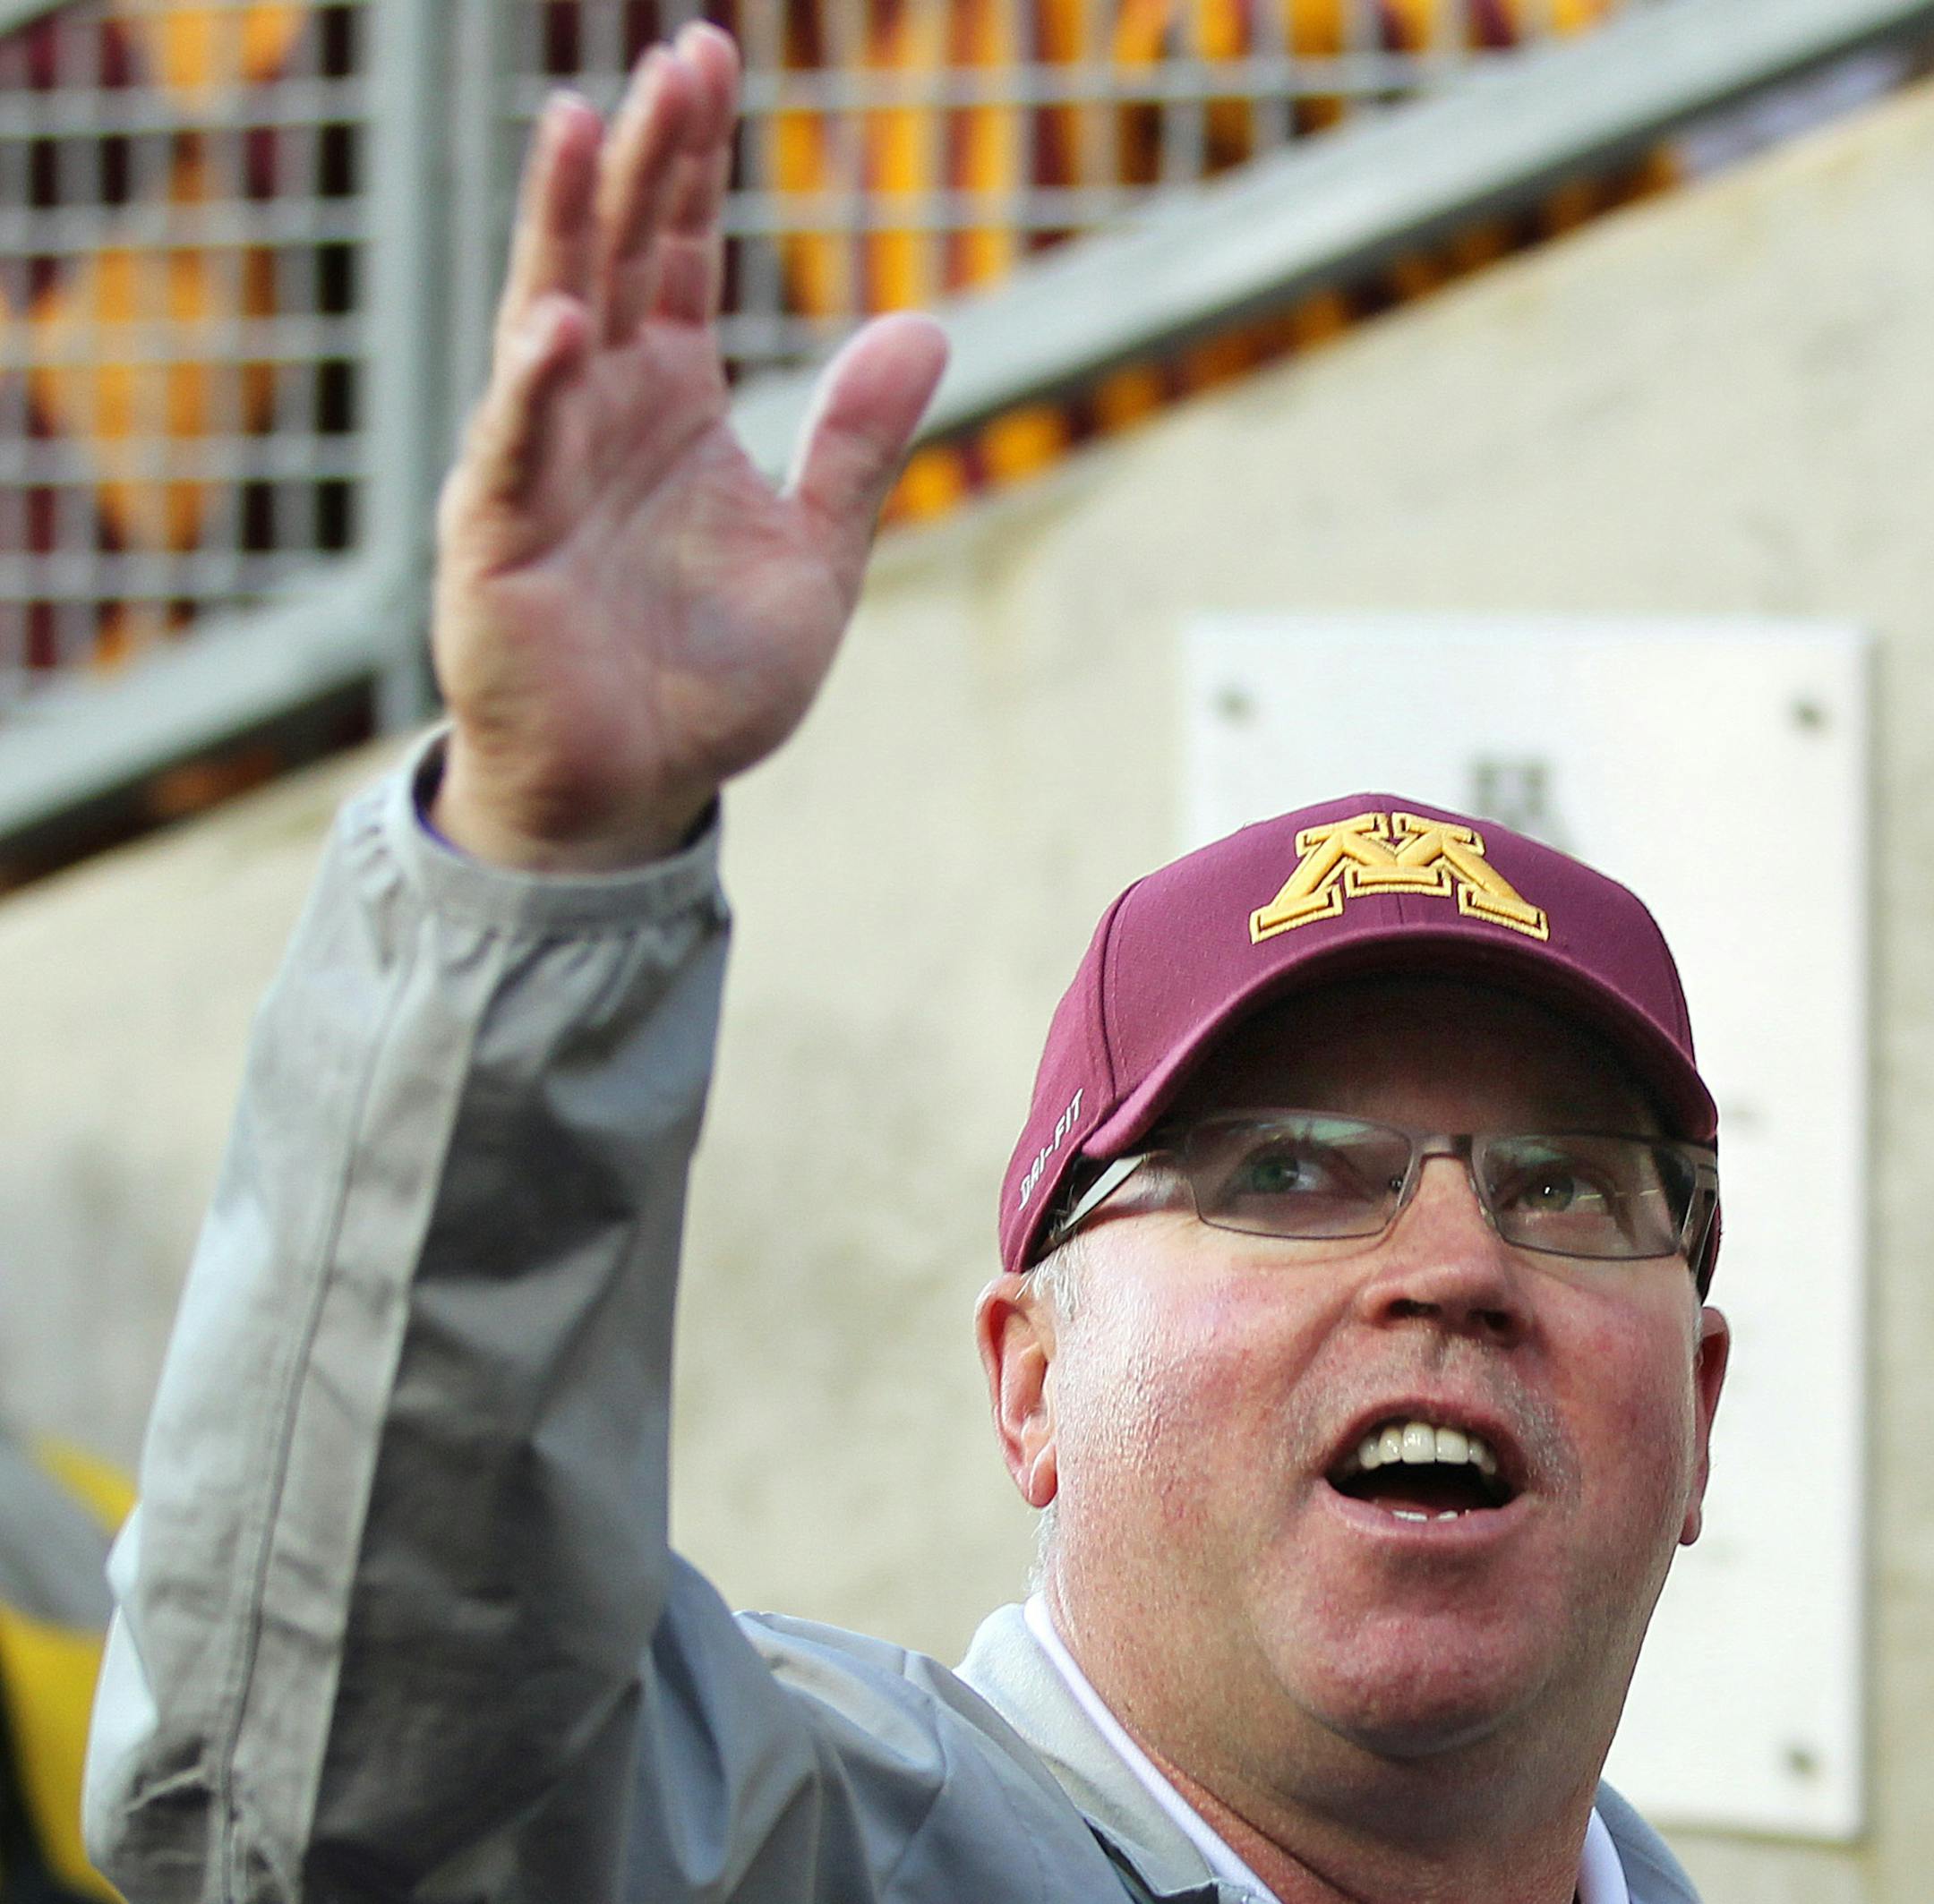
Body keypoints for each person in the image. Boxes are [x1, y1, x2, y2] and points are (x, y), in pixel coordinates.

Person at [80, 22, 1729, 1904]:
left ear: (1700, 1409)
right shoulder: (807, 1852)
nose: (1453, 1264)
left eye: (1565, 1188)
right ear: (1028, 1379)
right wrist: (543, 859)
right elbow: (351, 1782)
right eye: (1286, 1171)